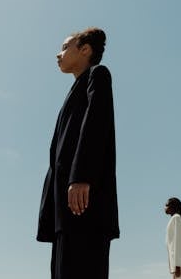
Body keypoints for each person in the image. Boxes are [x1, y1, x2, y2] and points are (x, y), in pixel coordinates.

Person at [37, 27, 119, 279]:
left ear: (85, 50)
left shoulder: (98, 75)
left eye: (64, 47)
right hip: (64, 208)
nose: (58, 54)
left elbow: (97, 123)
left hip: (85, 203)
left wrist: (81, 176)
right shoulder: (73, 92)